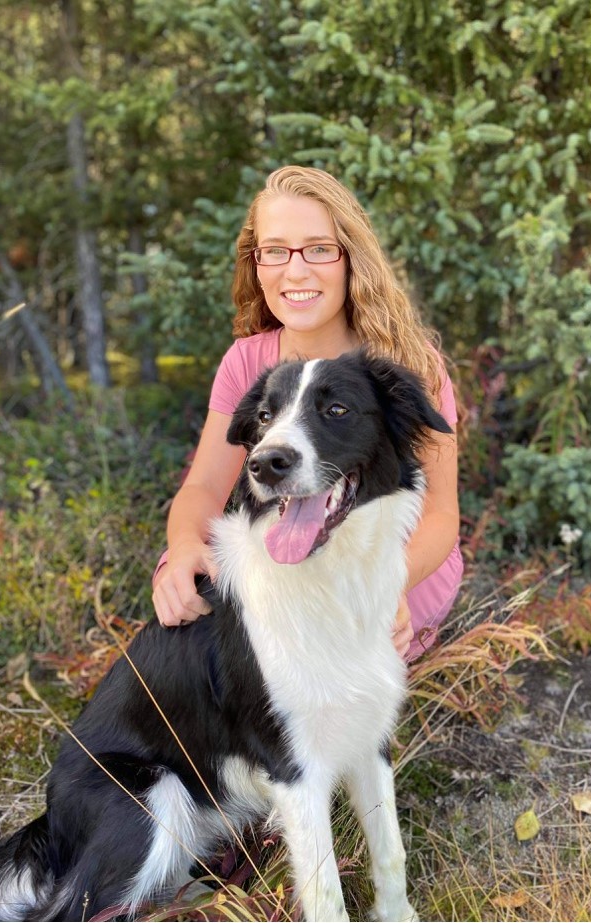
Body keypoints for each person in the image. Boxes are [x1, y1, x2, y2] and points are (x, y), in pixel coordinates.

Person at [152, 165, 463, 661]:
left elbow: (441, 514)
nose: (295, 271)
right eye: (275, 250)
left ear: (351, 258)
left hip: (400, 565)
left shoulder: (409, 362)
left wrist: (390, 585)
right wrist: (186, 546)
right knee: (192, 619)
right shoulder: (247, 361)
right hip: (289, 556)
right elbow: (205, 487)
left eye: (318, 249)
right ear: (255, 263)